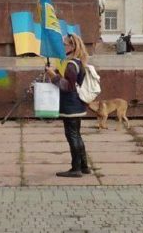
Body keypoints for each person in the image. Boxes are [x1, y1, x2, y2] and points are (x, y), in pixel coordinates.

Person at [44, 33, 90, 178]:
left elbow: (68, 86)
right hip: (77, 105)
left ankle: (76, 168)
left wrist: (53, 75)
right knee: (77, 135)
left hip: (71, 105)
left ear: (72, 46)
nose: (62, 46)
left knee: (72, 136)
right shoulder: (78, 62)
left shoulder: (71, 64)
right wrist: (56, 72)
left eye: (64, 44)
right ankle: (84, 166)